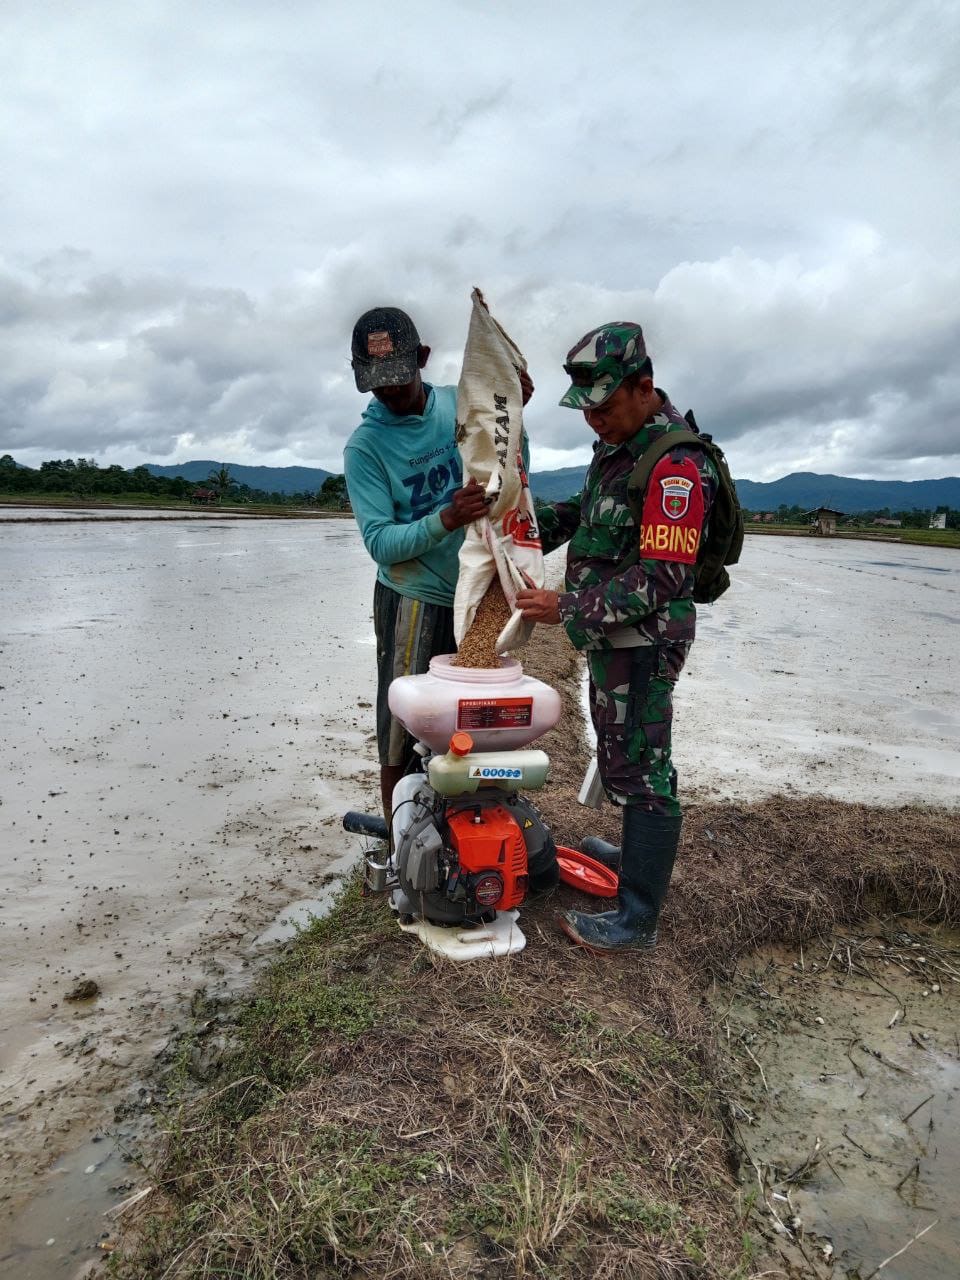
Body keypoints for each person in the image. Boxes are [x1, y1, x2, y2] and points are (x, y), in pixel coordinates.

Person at [516, 322, 717, 953]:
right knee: (619, 753)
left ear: (643, 387)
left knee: (644, 765)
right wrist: (523, 527)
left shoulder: (676, 465)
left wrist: (565, 606)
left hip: (646, 640)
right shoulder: (618, 448)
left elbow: (662, 577)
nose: (594, 422)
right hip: (614, 638)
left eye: (604, 407)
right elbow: (587, 516)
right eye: (587, 411)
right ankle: (633, 863)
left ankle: (637, 916)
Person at [343, 306, 532, 823]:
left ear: (422, 359)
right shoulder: (366, 448)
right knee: (404, 725)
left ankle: (465, 830)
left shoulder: (458, 404)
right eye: (376, 384)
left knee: (477, 721)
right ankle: (401, 844)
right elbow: (381, 543)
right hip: (414, 599)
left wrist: (514, 414)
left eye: (399, 379)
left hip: (476, 595)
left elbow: (510, 462)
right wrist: (444, 518)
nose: (390, 392)